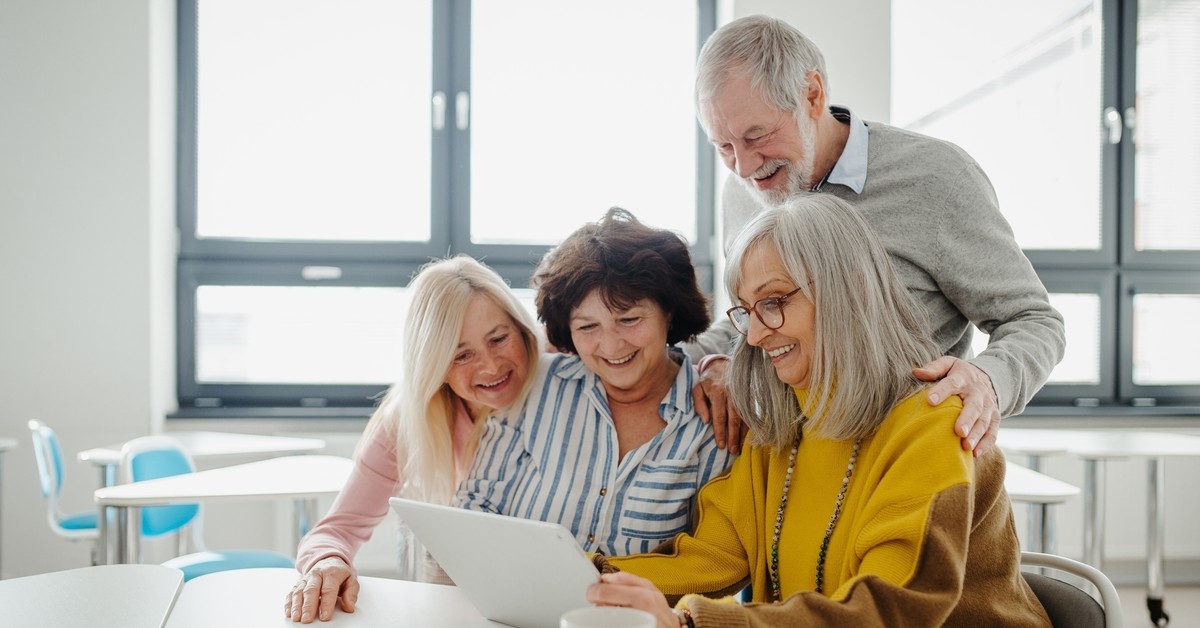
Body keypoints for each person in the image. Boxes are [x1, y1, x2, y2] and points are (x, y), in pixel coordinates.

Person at [589, 195, 1050, 626]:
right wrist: (591, 577)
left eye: (773, 302)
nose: (754, 336)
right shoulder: (781, 430)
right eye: (748, 311)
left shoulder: (934, 423)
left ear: (845, 292)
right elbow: (710, 557)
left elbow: (887, 607)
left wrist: (694, 622)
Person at [682, 15, 1065, 457]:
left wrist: (989, 379)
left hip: (905, 463)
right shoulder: (742, 192)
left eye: (758, 135)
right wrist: (702, 360)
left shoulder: (935, 178)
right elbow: (752, 319)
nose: (746, 167)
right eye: (724, 148)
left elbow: (1034, 321)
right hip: (791, 474)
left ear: (812, 94)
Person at [455, 208, 736, 556]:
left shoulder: (711, 419)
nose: (612, 345)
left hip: (639, 612)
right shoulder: (539, 386)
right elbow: (475, 506)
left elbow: (710, 559)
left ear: (669, 310)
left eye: (630, 319)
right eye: (588, 327)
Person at [284, 255, 542, 623]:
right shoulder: (409, 421)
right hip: (468, 604)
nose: (490, 365)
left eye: (499, 338)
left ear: (522, 329)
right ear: (434, 366)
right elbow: (337, 529)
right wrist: (327, 562)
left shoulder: (563, 379)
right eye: (462, 355)